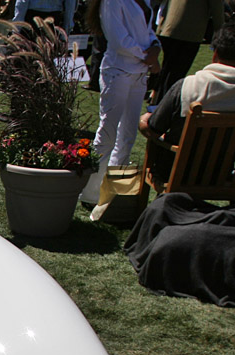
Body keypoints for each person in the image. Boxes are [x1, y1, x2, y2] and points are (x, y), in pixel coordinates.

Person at [139, 20, 235, 179]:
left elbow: (154, 129)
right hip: (221, 174)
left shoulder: (188, 85)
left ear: (215, 53)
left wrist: (144, 121)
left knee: (146, 122)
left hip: (175, 173)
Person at [80, 0, 160, 203]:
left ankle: (113, 189)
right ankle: (91, 192)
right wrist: (146, 55)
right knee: (108, 131)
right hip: (118, 70)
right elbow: (118, 39)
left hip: (139, 73)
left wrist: (155, 47)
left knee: (128, 134)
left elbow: (148, 29)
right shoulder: (112, 2)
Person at [150, 0, 224, 105]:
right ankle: (162, 106)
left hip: (167, 26)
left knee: (166, 69)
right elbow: (217, 7)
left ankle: (155, 99)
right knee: (175, 74)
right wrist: (220, 32)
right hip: (190, 31)